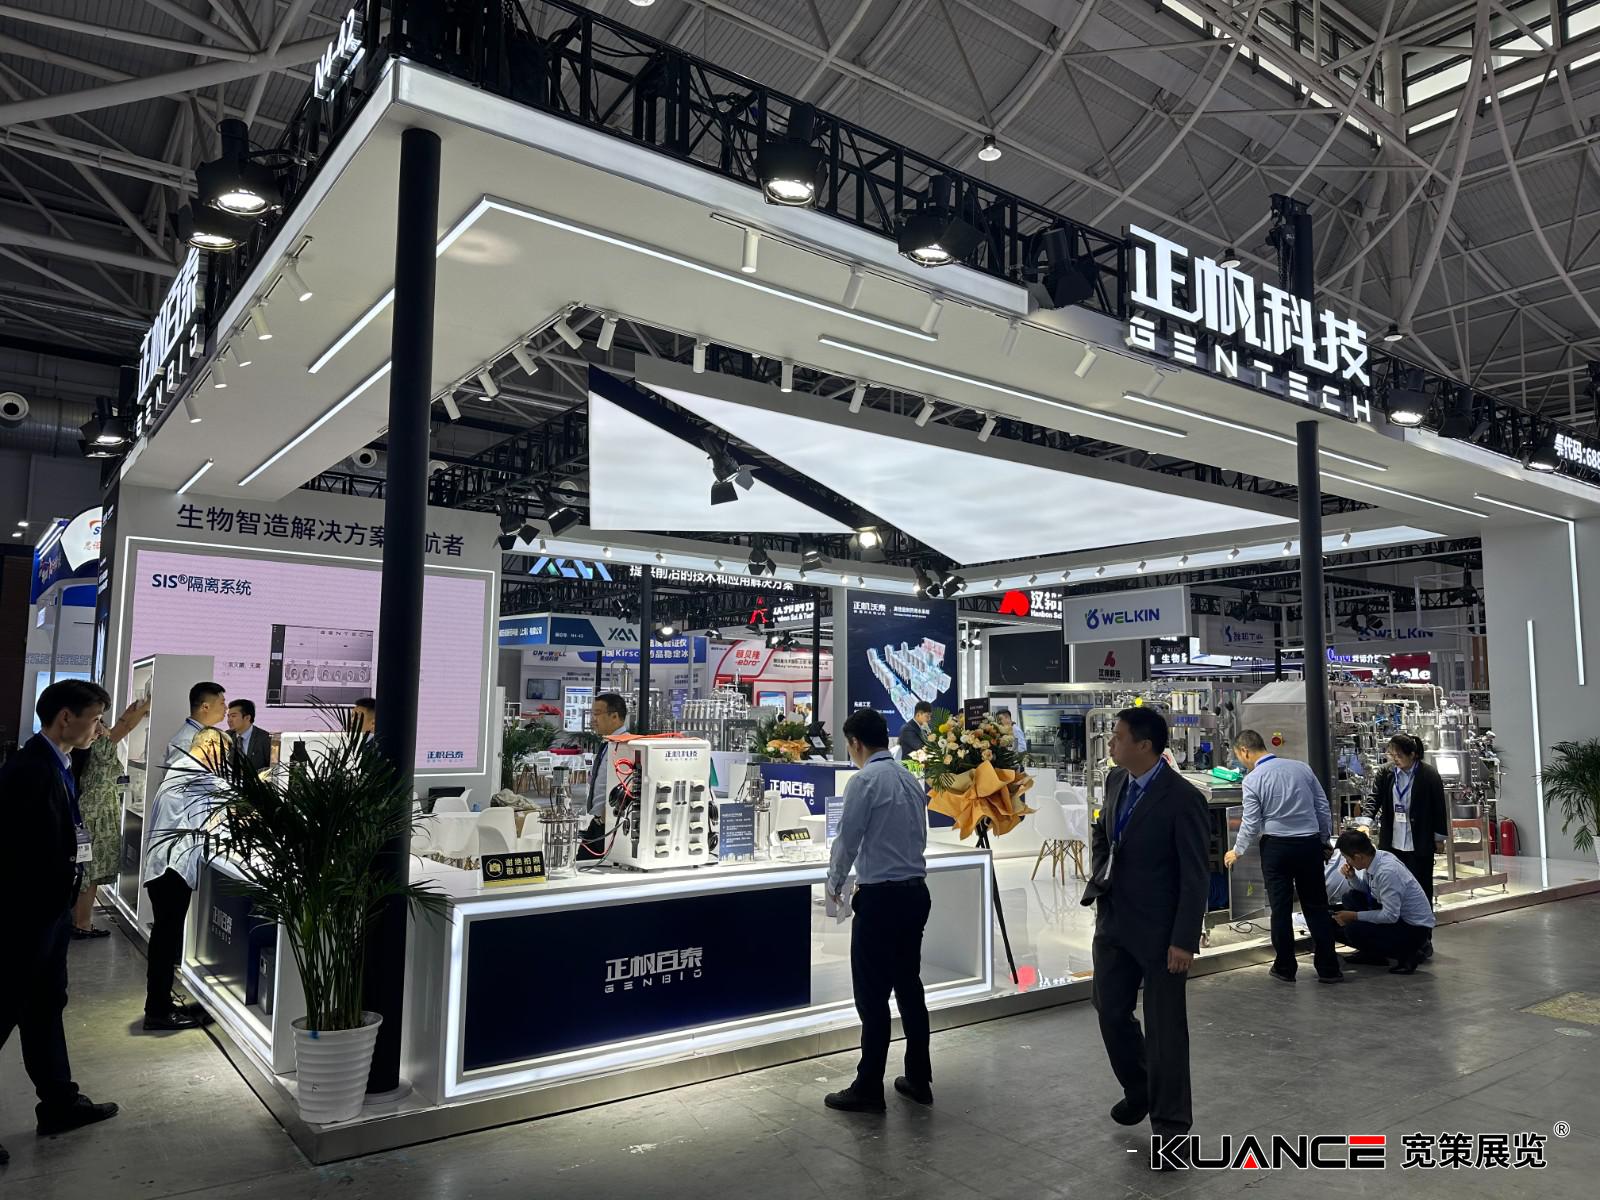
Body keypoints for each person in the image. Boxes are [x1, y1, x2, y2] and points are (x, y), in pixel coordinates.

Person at [1080, 707, 1209, 1164]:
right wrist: (1102, 870)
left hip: (1160, 931)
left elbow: (1195, 875)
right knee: (1110, 1010)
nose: (1111, 743)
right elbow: (1102, 832)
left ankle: (1171, 1125)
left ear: (1145, 745)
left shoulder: (1182, 798)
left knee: (1165, 1028)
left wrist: (1184, 939)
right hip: (1114, 920)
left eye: (1118, 737)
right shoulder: (1117, 781)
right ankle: (1140, 1087)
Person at [0, 680, 121, 1165]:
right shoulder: (29, 769)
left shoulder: (60, 762)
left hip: (48, 915)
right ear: (66, 718)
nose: (100, 729)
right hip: (23, 917)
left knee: (46, 1006)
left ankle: (59, 1103)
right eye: (95, 720)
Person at [823, 707, 932, 1114]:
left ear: (855, 743)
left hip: (881, 899)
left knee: (872, 997)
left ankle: (869, 1086)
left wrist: (834, 884)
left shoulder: (864, 781)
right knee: (909, 987)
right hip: (915, 893)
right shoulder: (909, 778)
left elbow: (847, 839)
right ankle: (918, 1078)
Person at [142, 682, 228, 1032]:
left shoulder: (184, 765)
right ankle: (158, 1011)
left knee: (166, 938)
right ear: (208, 747)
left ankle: (160, 1004)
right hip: (171, 869)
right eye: (222, 753)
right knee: (166, 940)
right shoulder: (194, 771)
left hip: (164, 867)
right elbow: (231, 796)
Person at [1223, 731, 1340, 983]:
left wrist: (1237, 850)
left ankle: (1285, 968)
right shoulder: (1302, 768)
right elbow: (1322, 806)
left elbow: (1251, 822)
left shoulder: (1253, 780)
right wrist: (1324, 840)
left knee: (1281, 909)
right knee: (1316, 907)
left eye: (1238, 757)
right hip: (1308, 844)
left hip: (1277, 848)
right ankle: (1329, 968)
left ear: (1244, 751)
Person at [69, 695, 151, 939]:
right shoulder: (100, 746)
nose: (102, 727)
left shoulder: (87, 747)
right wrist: (146, 707)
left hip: (93, 809)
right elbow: (123, 728)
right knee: (90, 872)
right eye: (98, 722)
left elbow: (122, 725)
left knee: (86, 870)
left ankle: (77, 920)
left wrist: (134, 710)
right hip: (98, 813)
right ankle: (82, 923)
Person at [1362, 733, 1446, 954]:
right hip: (1393, 843)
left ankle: (1423, 940)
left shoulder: (1429, 774)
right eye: (1392, 755)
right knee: (1387, 889)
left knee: (1421, 890)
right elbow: (1374, 798)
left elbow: (1439, 808)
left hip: (1419, 842)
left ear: (1413, 755)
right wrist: (1365, 822)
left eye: (1399, 755)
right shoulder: (1386, 772)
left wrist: (1439, 838)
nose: (1395, 759)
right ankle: (1392, 941)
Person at [1330, 829, 1436, 974]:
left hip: (1413, 928)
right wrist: (1352, 877)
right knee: (1351, 897)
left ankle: (1408, 953)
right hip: (1399, 918)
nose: (1347, 862)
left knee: (1353, 930)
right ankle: (1372, 953)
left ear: (1358, 856)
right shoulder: (1375, 859)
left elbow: (1390, 916)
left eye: (1347, 858)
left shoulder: (1387, 871)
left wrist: (1354, 916)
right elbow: (1368, 889)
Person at [578, 693, 627, 860]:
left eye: (597, 714)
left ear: (614, 716)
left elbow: (627, 784)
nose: (593, 719)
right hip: (598, 823)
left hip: (609, 825)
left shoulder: (625, 746)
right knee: (582, 865)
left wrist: (609, 814)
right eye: (592, 714)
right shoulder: (608, 743)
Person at [226, 699, 271, 775]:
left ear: (247, 718)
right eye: (228, 716)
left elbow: (271, 769)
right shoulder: (225, 737)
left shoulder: (264, 738)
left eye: (233, 716)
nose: (229, 720)